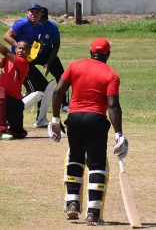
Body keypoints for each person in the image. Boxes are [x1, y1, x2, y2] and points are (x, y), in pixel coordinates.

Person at [48, 38, 129, 226]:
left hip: (74, 120)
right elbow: (113, 106)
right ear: (107, 55)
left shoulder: (75, 66)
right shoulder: (111, 75)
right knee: (97, 165)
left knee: (75, 158)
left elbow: (58, 92)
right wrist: (119, 134)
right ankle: (93, 213)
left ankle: (72, 204)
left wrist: (55, 120)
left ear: (90, 51)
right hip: (96, 120)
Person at [3, 2, 52, 128]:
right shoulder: (22, 23)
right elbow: (6, 36)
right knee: (34, 90)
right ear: (28, 13)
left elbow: (38, 44)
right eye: (32, 12)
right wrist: (19, 47)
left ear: (41, 15)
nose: (34, 15)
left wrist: (37, 50)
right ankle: (11, 115)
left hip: (27, 63)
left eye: (37, 13)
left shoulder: (40, 27)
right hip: (17, 63)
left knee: (46, 87)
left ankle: (41, 119)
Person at [0, 30, 30, 140]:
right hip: (2, 95)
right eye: (19, 48)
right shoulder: (8, 60)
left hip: (14, 100)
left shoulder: (24, 63)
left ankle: (9, 130)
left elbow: (6, 53)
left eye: (24, 49)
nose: (21, 50)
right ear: (16, 49)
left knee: (18, 132)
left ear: (28, 52)